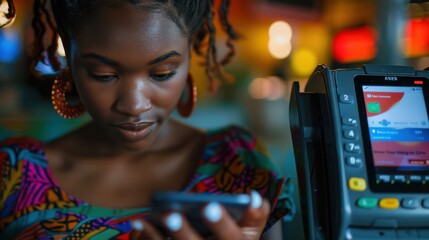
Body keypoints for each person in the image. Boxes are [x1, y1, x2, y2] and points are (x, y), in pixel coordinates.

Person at [0, 0, 295, 239]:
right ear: (68, 51)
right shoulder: (13, 174)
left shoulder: (239, 164)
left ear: (189, 53)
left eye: (162, 73)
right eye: (103, 75)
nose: (134, 105)